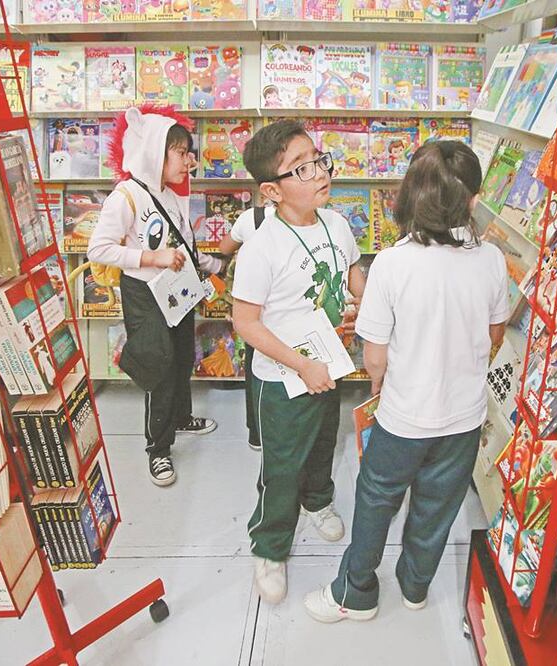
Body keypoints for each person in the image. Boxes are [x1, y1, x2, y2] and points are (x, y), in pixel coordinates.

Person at [302, 141, 509, 622]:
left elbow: (375, 355)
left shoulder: (392, 264)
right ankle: (416, 586)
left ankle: (356, 592)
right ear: (473, 200)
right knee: (439, 504)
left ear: (410, 196)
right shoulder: (492, 260)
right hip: (463, 418)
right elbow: (494, 334)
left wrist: (379, 390)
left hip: (403, 416)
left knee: (376, 498)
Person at [231, 120, 365, 604]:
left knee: (323, 443)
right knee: (281, 464)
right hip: (283, 377)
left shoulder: (337, 222)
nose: (318, 173)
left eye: (318, 160)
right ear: (272, 190)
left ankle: (319, 501)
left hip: (328, 363)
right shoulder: (262, 248)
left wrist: (367, 302)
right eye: (300, 168)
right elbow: (245, 323)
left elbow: (350, 272)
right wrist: (301, 365)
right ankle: (269, 546)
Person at [88, 105, 220, 487]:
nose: (188, 161)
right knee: (159, 365)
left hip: (175, 291)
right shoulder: (126, 196)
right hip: (144, 293)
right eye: (180, 152)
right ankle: (158, 449)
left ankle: (180, 417)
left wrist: (211, 265)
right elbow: (99, 249)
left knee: (181, 357)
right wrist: (150, 257)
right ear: (153, 151)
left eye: (187, 152)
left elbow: (183, 244)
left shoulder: (171, 193)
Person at [218, 205, 274, 452]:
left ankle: (257, 433)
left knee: (256, 366)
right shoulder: (313, 217)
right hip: (292, 309)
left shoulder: (251, 217)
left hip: (255, 306)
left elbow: (223, 248)